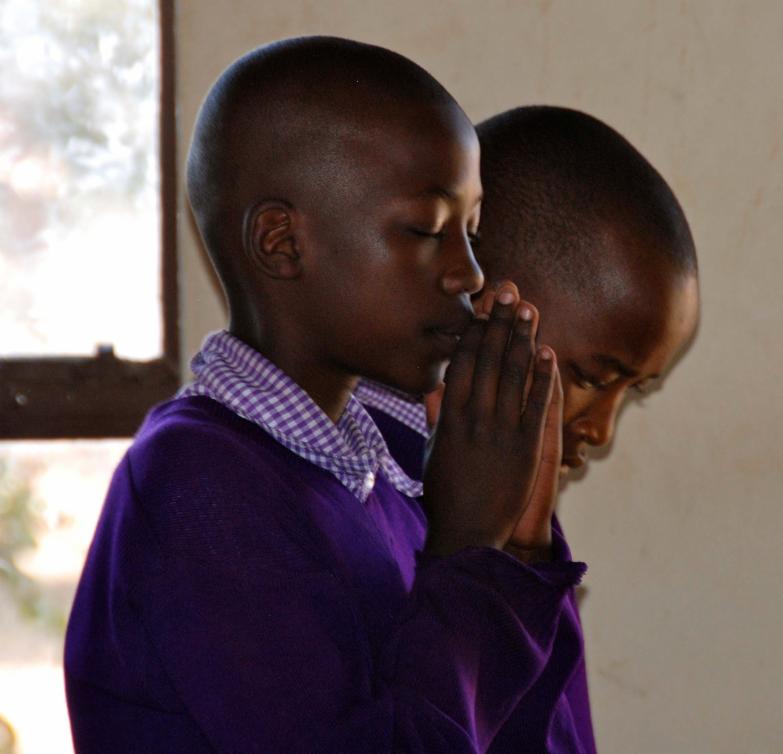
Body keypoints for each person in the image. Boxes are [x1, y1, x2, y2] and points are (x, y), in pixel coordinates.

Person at [64, 39, 584, 753]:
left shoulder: (384, 481)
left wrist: (517, 548)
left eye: (471, 232)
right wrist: (466, 549)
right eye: (428, 230)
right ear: (281, 243)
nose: (467, 273)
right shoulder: (198, 488)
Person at [357, 105, 700, 753]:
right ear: (490, 311)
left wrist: (528, 562)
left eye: (635, 392)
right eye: (596, 378)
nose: (601, 431)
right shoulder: (358, 499)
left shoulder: (519, 517)